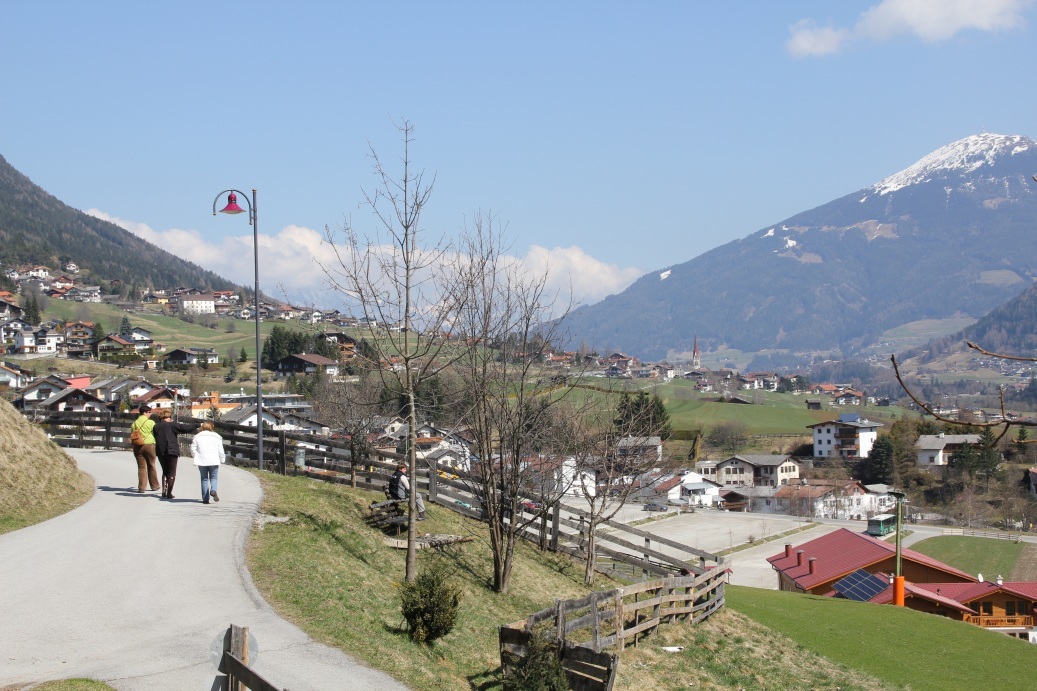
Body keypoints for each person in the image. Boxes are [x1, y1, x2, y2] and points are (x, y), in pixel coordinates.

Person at [151, 409, 199, 499]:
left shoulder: (156, 426)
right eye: (170, 417)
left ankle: (164, 491)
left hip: (161, 450)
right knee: (172, 472)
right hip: (172, 450)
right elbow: (184, 428)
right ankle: (169, 493)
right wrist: (197, 425)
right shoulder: (172, 425)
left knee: (165, 471)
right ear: (167, 417)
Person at [191, 421, 226, 504]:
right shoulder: (217, 436)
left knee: (204, 479)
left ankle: (205, 499)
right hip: (214, 460)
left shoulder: (197, 437)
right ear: (211, 427)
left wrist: (195, 456)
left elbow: (193, 448)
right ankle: (213, 490)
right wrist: (222, 459)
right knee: (213, 478)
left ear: (202, 427)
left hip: (202, 460)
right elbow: (220, 449)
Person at [129, 404, 159, 493]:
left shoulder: (134, 423)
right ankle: (154, 485)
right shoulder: (151, 422)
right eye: (149, 412)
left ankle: (142, 487)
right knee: (151, 465)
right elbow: (155, 432)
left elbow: (133, 434)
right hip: (149, 444)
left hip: (138, 445)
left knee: (141, 467)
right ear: (145, 413)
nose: (150, 414)